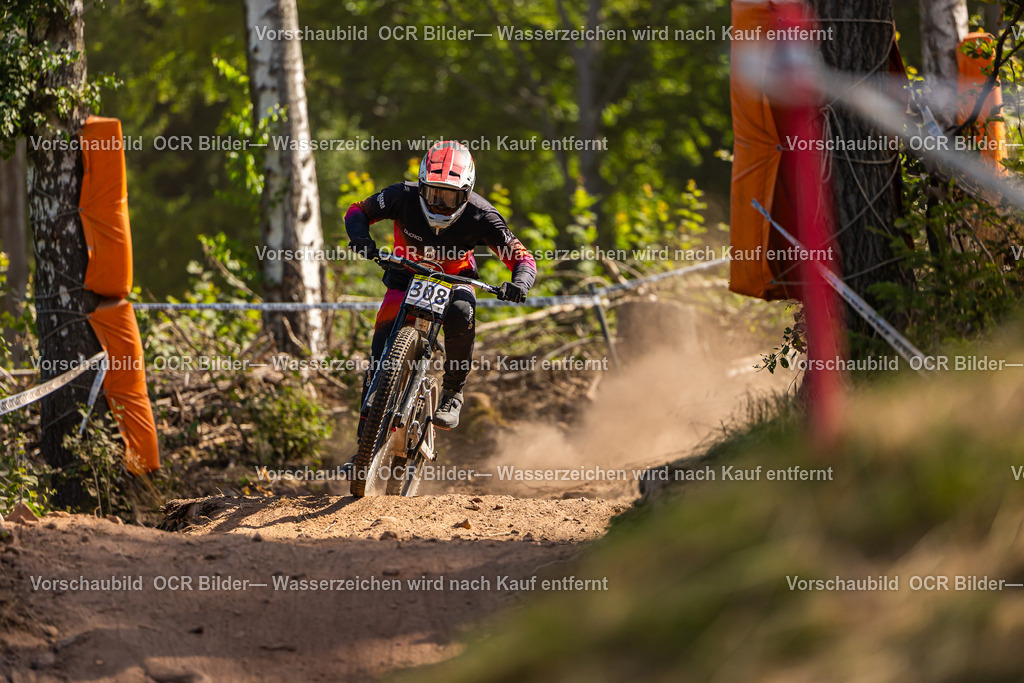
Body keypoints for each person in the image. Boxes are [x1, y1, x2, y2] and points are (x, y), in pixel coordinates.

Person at [345, 140, 537, 430]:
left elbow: (521, 257)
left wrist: (519, 283)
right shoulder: (402, 195)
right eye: (433, 193)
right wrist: (361, 238)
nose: (439, 204)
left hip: (454, 279)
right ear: (420, 185)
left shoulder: (482, 215)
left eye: (449, 197)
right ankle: (363, 444)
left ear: (467, 194)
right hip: (405, 273)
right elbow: (358, 210)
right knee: (381, 343)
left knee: (461, 313)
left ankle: (452, 392)